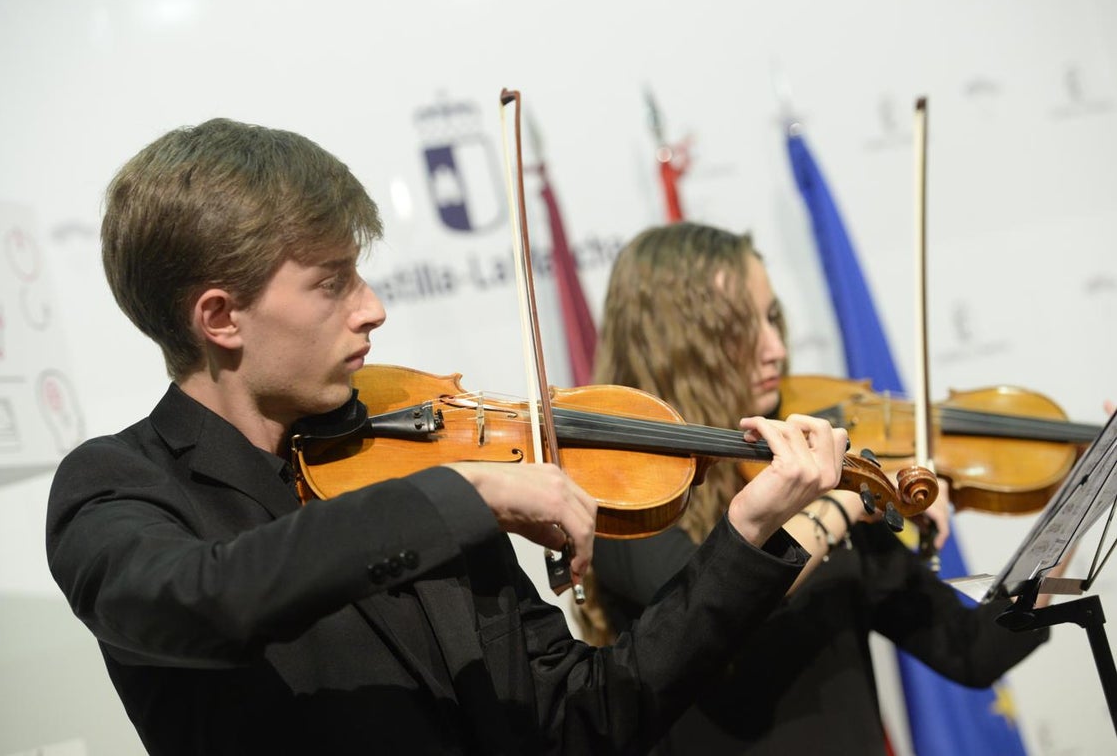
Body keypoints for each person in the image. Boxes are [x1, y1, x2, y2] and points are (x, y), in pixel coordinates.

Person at [44, 118, 852, 756]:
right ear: (220, 317)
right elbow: (200, 603)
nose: (372, 307)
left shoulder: (412, 456)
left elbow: (590, 717)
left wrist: (745, 534)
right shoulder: (120, 484)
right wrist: (465, 493)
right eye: (331, 283)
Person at [578, 221, 1051, 754]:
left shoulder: (822, 474)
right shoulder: (625, 489)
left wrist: (1075, 508)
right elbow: (699, 604)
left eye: (773, 318)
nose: (777, 349)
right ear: (673, 342)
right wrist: (838, 505)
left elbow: (972, 650)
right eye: (739, 326)